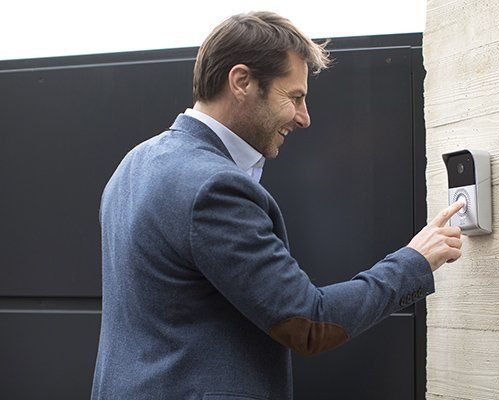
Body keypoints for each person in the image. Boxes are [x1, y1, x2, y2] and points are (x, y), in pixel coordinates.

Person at [91, 11, 464, 400]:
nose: (304, 118)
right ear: (242, 82)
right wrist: (414, 262)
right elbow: (310, 323)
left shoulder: (133, 165)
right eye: (295, 97)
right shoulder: (215, 188)